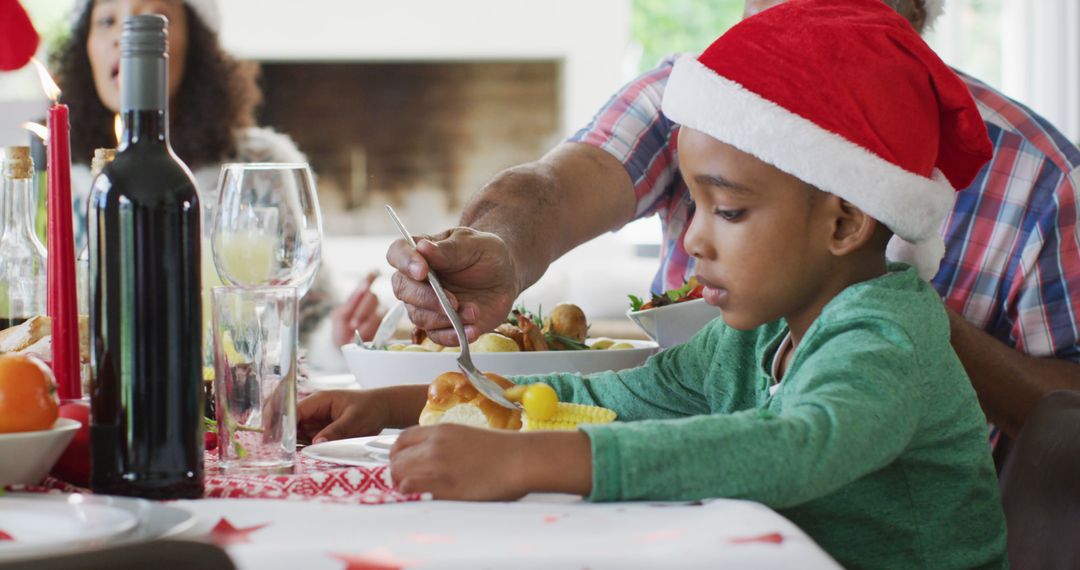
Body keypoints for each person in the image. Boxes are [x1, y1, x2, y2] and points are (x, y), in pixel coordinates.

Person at [300, 2, 1007, 566]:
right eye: (693, 204)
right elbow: (598, 400)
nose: (693, 237)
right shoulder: (748, 335)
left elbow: (795, 445)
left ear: (845, 222)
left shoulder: (884, 338)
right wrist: (397, 403)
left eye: (727, 210)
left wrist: (531, 460)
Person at [386, 0, 1080, 441]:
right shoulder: (711, 98)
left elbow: (769, 449)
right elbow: (551, 193)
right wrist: (417, 398)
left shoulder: (1044, 180)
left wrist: (890, 314)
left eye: (730, 209)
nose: (692, 238)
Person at [52, 0, 384, 347]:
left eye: (156, 19)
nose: (126, 34)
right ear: (84, 47)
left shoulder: (261, 165)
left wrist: (339, 336)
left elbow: (308, 313)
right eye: (106, 20)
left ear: (196, 42)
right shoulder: (65, 183)